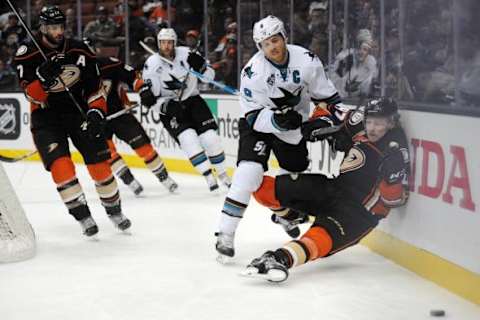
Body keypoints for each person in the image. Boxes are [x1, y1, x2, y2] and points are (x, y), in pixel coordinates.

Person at [215, 15, 342, 261]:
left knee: (290, 182)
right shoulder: (252, 72)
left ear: (284, 37)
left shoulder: (307, 61)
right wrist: (275, 121)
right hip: (258, 127)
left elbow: (328, 98)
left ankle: (283, 213)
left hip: (294, 131)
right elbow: (252, 116)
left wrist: (327, 119)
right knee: (248, 174)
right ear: (260, 47)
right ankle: (225, 234)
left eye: (275, 40)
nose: (272, 47)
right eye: (265, 44)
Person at [241, 97, 410, 282]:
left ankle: (279, 258)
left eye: (379, 123)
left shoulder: (396, 149)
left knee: (316, 239)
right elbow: (327, 107)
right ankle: (292, 217)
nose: (372, 128)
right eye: (369, 121)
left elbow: (393, 201)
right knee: (260, 188)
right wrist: (320, 123)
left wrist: (391, 181)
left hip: (358, 213)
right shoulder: (359, 120)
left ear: (392, 122)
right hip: (333, 188)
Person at [13, 6, 131, 237]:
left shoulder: (80, 49)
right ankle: (82, 215)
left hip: (78, 112)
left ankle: (114, 210)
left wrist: (96, 111)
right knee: (61, 167)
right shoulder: (27, 53)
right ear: (43, 28)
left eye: (60, 27)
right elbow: (31, 95)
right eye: (52, 27)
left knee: (100, 168)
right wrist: (42, 79)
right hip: (46, 117)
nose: (58, 32)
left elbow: (95, 87)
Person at [142, 28, 231, 191]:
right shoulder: (151, 65)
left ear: (175, 43)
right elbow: (150, 99)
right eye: (163, 43)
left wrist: (203, 68)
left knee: (211, 138)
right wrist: (163, 105)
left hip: (193, 101)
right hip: (171, 108)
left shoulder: (187, 54)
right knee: (189, 140)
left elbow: (210, 78)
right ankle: (208, 176)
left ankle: (223, 174)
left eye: (169, 42)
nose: (166, 46)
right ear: (158, 44)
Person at [92, 47, 178, 195]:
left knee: (143, 146)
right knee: (108, 153)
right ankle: (129, 181)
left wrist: (143, 89)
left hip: (120, 114)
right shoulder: (73, 75)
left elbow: (132, 76)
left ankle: (164, 178)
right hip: (96, 121)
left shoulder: (110, 64)